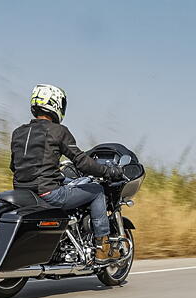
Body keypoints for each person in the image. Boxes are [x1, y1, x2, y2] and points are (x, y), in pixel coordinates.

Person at [9, 84, 123, 262]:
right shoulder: (58, 131)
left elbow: (14, 166)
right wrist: (108, 171)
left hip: (22, 192)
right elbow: (83, 162)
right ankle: (102, 248)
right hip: (49, 193)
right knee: (97, 191)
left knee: (67, 181)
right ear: (55, 104)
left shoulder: (18, 132)